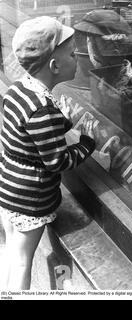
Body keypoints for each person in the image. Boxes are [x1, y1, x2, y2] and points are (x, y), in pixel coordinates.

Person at [0, 16, 96, 290]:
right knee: (22, 262)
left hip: (9, 188)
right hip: (29, 198)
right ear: (55, 66)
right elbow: (57, 161)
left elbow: (27, 132)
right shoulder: (42, 110)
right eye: (73, 53)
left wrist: (63, 123)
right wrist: (87, 143)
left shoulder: (18, 89)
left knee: (12, 253)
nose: (78, 57)